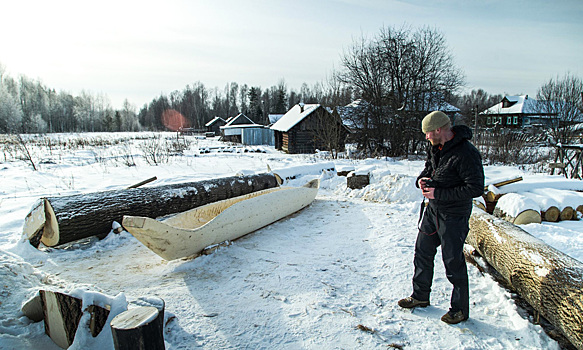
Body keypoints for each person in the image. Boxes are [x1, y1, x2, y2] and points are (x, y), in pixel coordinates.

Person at [398, 111, 484, 324]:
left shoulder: (466, 153)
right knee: (422, 251)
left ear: (438, 130)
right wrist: (422, 180)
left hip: (454, 215)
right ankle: (420, 296)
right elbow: (429, 169)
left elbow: (475, 188)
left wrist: (439, 193)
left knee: (453, 261)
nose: (426, 137)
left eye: (427, 132)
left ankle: (459, 310)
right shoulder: (436, 148)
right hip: (433, 211)